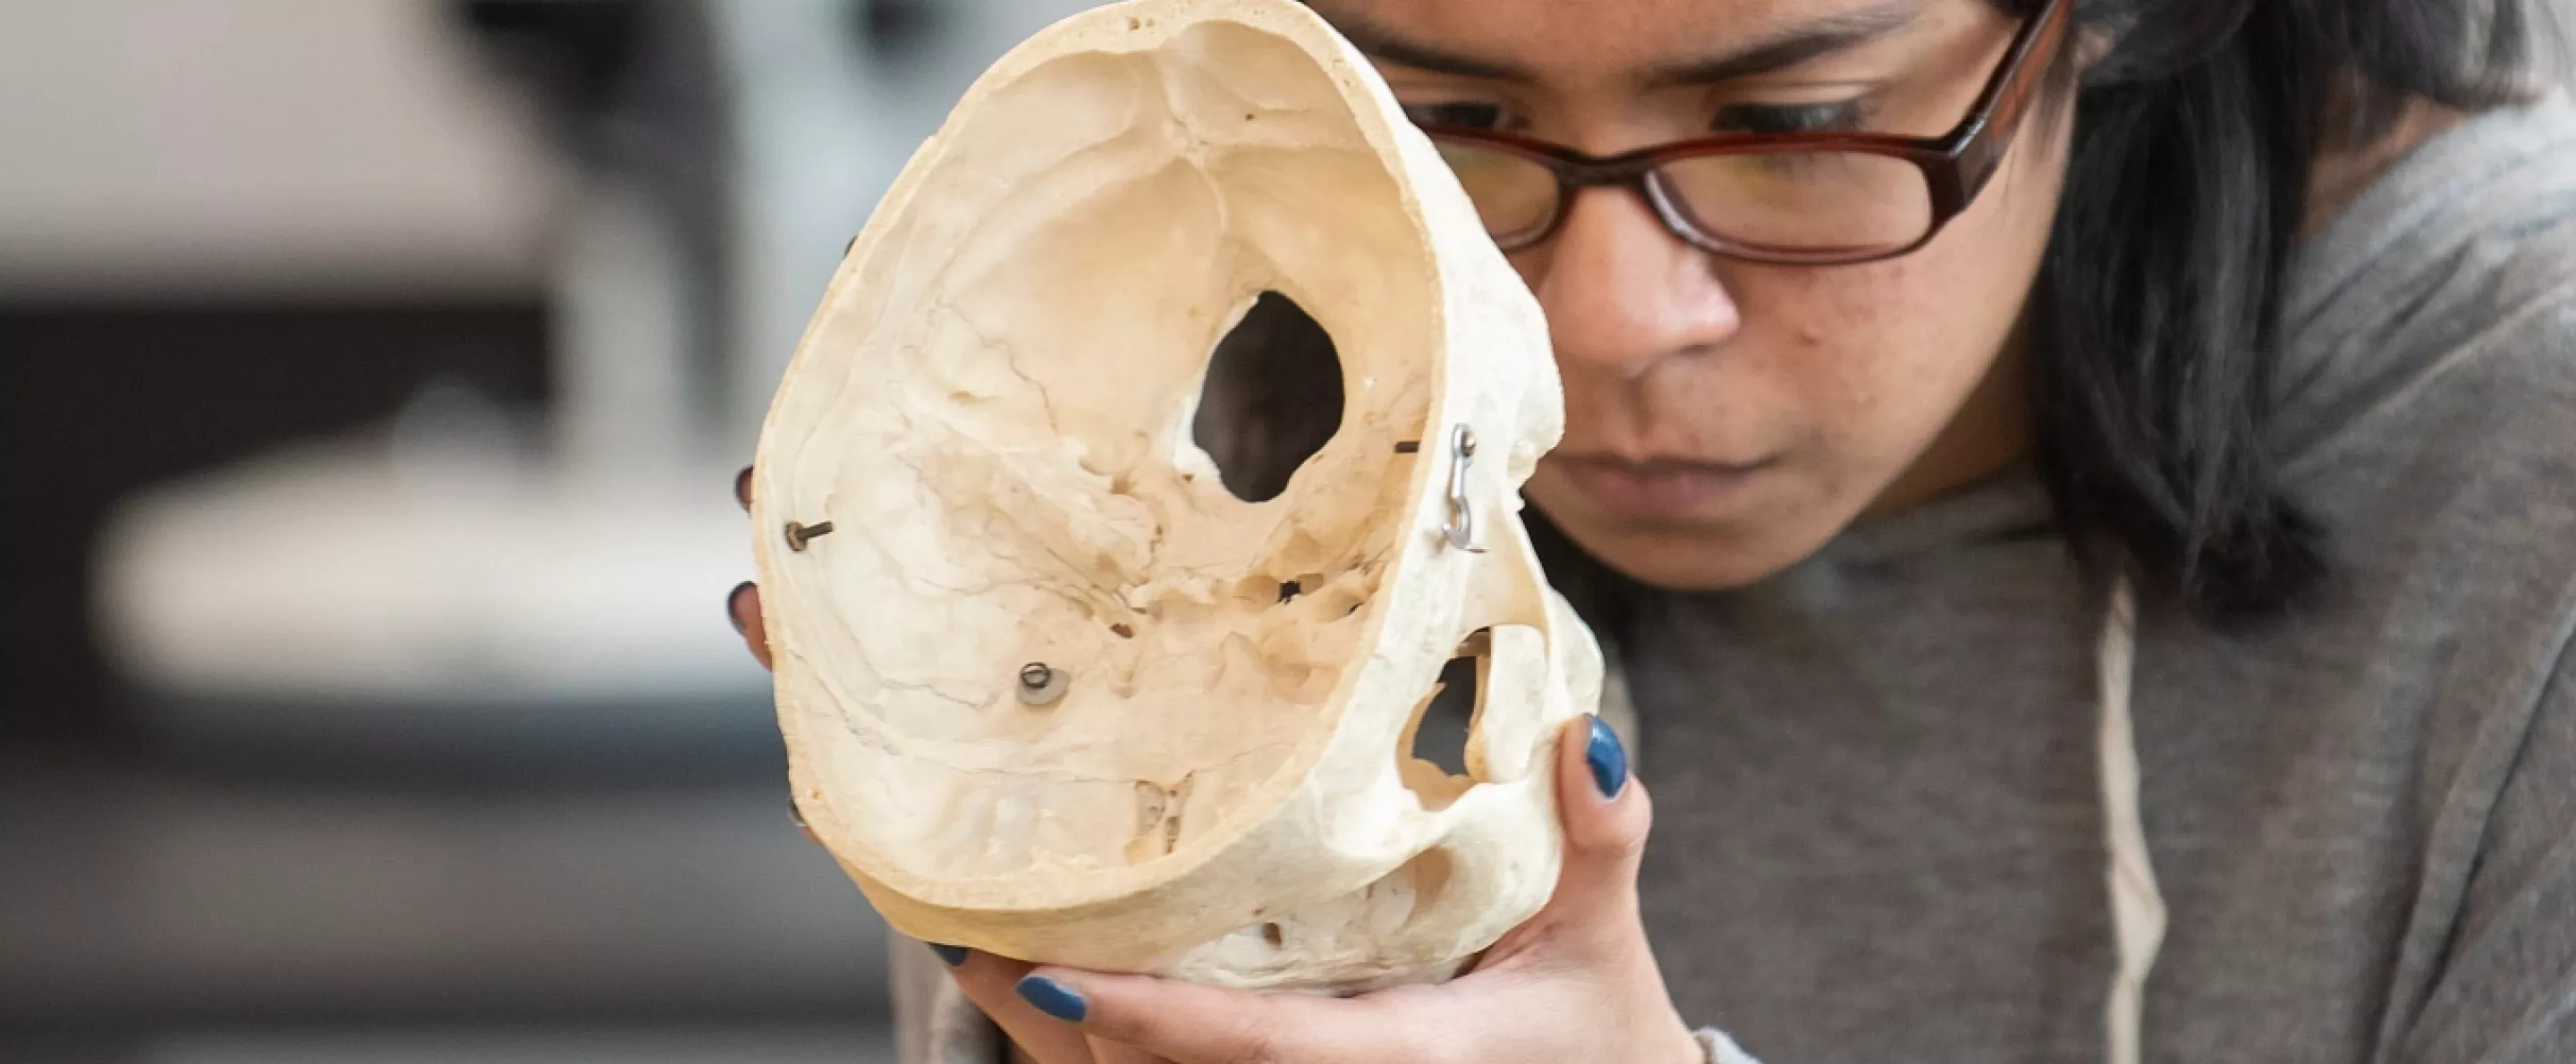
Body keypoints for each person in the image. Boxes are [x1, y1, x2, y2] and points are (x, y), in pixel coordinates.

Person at [727, 0, 2576, 1059]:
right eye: (1442, 116)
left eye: (1796, 122)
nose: (1600, 324)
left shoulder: (2526, 482)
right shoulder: (1198, 399)